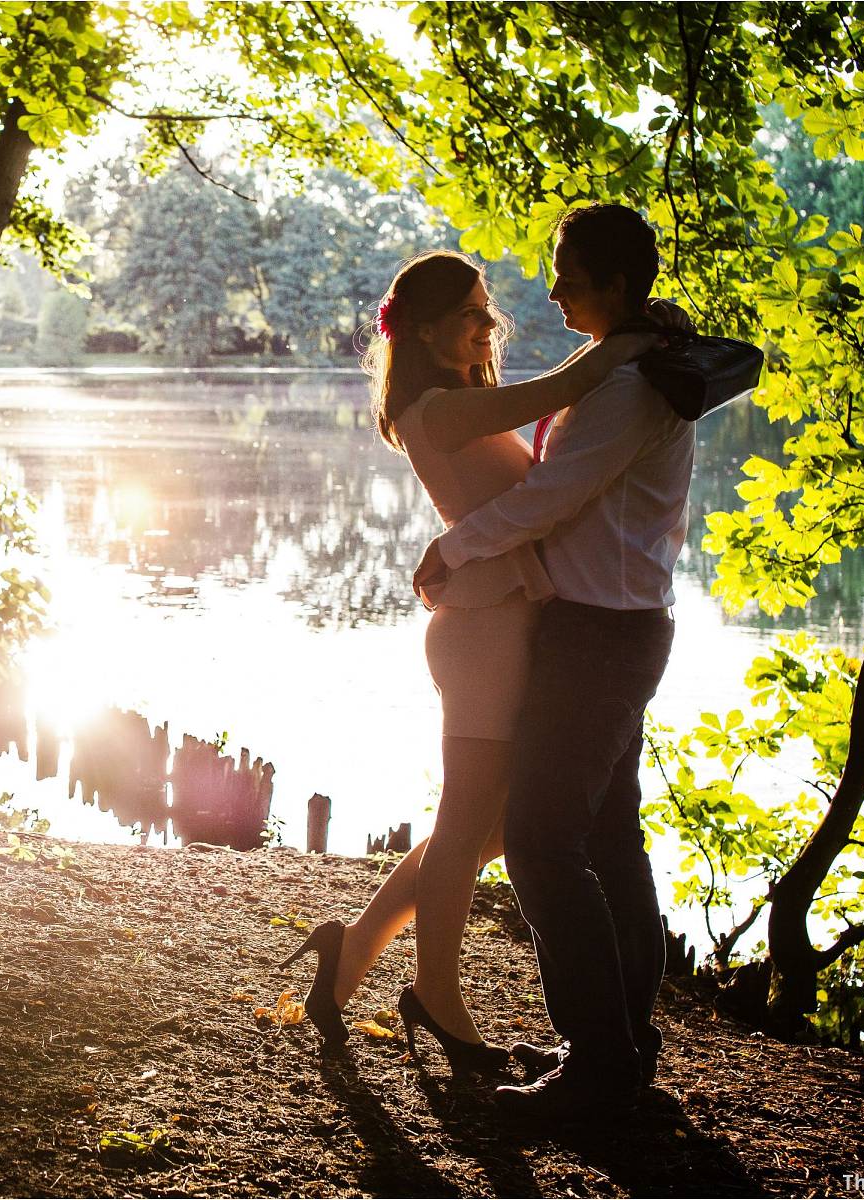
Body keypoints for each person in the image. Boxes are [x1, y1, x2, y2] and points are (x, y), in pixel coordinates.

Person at [279, 249, 659, 1073]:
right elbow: (559, 393)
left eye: (489, 310)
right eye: (470, 314)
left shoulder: (466, 402)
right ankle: (437, 999)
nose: (489, 325)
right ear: (420, 329)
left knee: (490, 827)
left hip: (507, 622)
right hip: (483, 631)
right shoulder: (435, 408)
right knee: (469, 823)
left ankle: (350, 951)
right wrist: (625, 345)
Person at [413, 205, 696, 1118]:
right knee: (610, 839)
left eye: (569, 271)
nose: (553, 285)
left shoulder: (629, 385)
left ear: (616, 284)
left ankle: (601, 1063)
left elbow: (553, 498)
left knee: (541, 844)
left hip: (601, 638)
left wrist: (452, 551)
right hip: (603, 628)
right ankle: (619, 1039)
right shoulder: (623, 365)